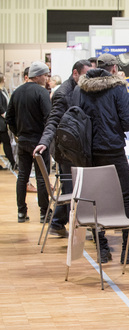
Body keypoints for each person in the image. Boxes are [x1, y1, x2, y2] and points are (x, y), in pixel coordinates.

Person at [77, 53, 129, 264]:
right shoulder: (117, 88)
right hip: (113, 148)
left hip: (89, 151)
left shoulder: (81, 88)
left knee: (95, 198)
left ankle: (102, 248)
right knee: (127, 195)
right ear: (115, 69)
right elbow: (128, 122)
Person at [34, 59, 92, 238]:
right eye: (85, 75)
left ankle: (60, 223)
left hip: (76, 149)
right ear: (75, 73)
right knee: (71, 189)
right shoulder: (63, 93)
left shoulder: (81, 89)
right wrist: (44, 141)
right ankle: (60, 223)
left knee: (73, 188)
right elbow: (53, 121)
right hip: (65, 150)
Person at [5, 61, 51, 223]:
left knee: (22, 177)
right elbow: (49, 118)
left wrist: (18, 134)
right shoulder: (41, 92)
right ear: (37, 75)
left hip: (23, 141)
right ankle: (44, 212)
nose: (47, 78)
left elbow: (9, 118)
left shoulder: (17, 92)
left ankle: (21, 212)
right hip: (39, 142)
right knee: (42, 177)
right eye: (45, 75)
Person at [0, 73, 17, 171]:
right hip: (1, 122)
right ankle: (13, 163)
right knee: (6, 143)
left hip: (3, 121)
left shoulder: (3, 90)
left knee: (6, 143)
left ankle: (13, 162)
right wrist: (5, 115)